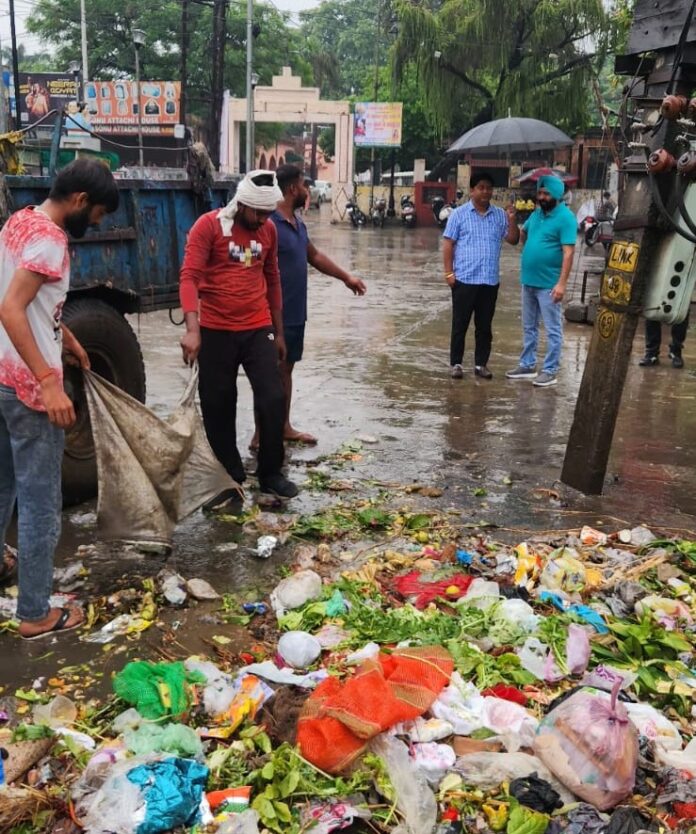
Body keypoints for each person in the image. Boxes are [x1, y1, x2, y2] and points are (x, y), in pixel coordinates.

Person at [0, 158, 119, 639]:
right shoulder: (51, 239)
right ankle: (34, 614)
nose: (98, 223)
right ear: (79, 201)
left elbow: (25, 300)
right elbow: (9, 307)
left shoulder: (20, 220)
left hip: (1, 378)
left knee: (3, 486)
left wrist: (63, 334)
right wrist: (49, 381)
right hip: (28, 391)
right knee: (40, 504)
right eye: (98, 214)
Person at [179, 169, 298, 500]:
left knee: (273, 397)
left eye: (267, 213)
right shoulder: (209, 227)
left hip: (257, 328)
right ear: (242, 203)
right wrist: (192, 329)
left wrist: (279, 332)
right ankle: (228, 475)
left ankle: (271, 472)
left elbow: (272, 279)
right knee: (218, 403)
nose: (262, 219)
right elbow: (189, 277)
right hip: (215, 330)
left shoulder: (269, 231)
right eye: (258, 212)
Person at [250, 164, 366, 448]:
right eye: (304, 185)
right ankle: (260, 433)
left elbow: (313, 256)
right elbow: (250, 265)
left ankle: (284, 426)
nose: (307, 190)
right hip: (270, 315)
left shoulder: (297, 224)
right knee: (268, 373)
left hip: (295, 313)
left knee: (286, 370)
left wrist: (346, 277)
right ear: (292, 189)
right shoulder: (268, 225)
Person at [443, 171, 519, 379]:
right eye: (481, 187)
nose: (486, 191)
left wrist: (512, 220)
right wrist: (449, 273)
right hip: (464, 279)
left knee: (484, 326)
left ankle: (480, 365)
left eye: (489, 188)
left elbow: (513, 240)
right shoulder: (459, 215)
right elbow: (448, 243)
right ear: (472, 190)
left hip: (489, 280)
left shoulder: (499, 216)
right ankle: (456, 364)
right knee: (460, 324)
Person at [506, 174, 577, 388]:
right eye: (540, 193)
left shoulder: (566, 218)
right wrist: (511, 219)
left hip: (549, 284)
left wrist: (561, 284)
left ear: (556, 194)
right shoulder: (536, 215)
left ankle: (550, 370)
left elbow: (568, 253)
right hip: (528, 281)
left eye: (546, 193)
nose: (542, 197)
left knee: (553, 328)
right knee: (529, 326)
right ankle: (527, 365)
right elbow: (521, 236)